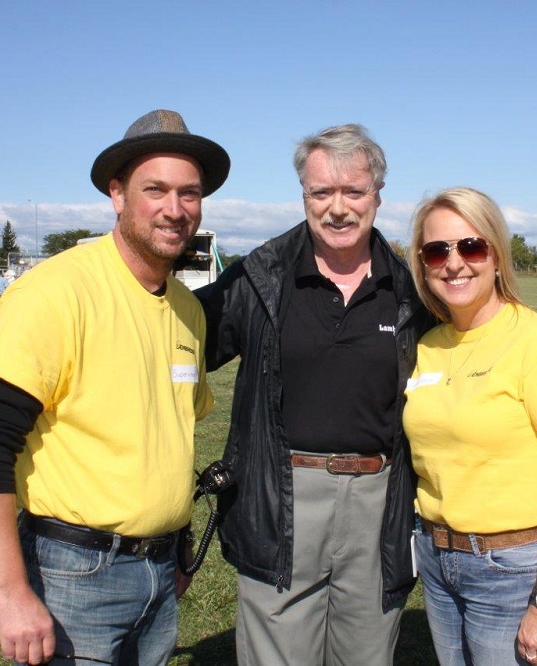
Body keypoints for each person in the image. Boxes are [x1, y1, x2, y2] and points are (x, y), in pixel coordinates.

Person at [0, 108, 229, 665]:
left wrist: (173, 547)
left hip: (159, 576)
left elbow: (165, 442)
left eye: (189, 193)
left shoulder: (187, 312)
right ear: (117, 193)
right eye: (156, 189)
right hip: (73, 576)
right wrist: (8, 594)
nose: (175, 210)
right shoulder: (56, 292)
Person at [195, 124, 435, 665]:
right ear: (303, 194)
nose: (338, 208)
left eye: (354, 192)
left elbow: (477, 345)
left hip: (380, 501)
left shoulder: (412, 290)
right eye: (321, 192)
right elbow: (172, 338)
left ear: (377, 195)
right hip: (280, 496)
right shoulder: (258, 280)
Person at [403, 188, 537, 666]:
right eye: (437, 251)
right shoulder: (428, 344)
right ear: (423, 263)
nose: (454, 264)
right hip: (437, 560)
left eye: (471, 247)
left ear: (496, 254)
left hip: (515, 568)